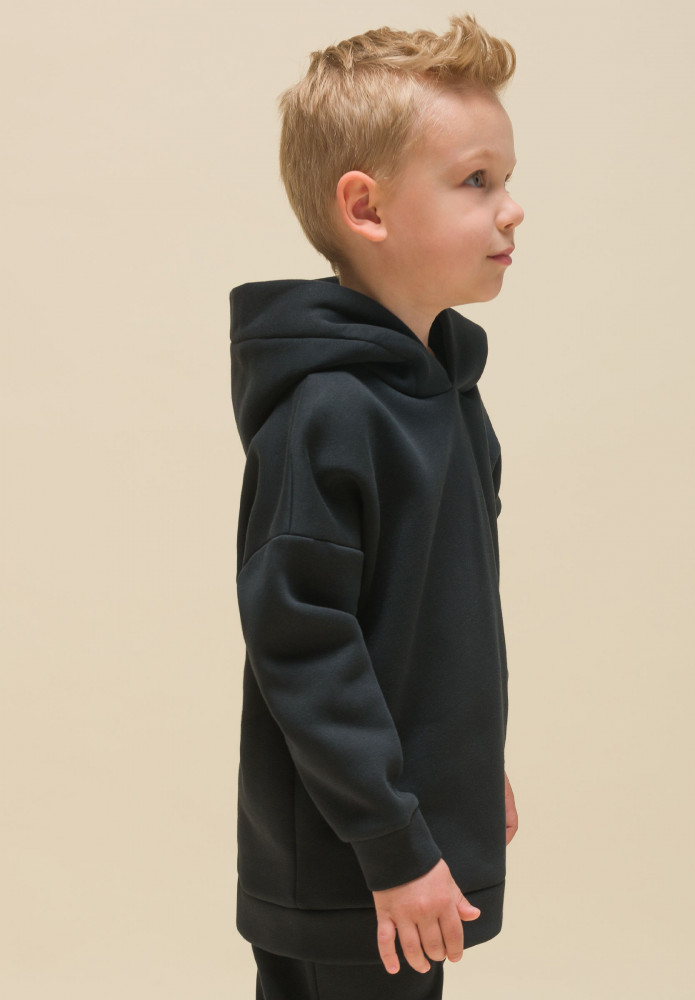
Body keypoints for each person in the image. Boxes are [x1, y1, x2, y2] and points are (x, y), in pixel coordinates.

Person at [229, 14, 522, 999]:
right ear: (366, 207)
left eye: (506, 178)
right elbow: (304, 649)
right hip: (352, 862)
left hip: (406, 834)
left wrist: (469, 768)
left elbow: (437, 624)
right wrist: (393, 841)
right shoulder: (330, 412)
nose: (512, 208)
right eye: (475, 181)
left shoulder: (448, 395)